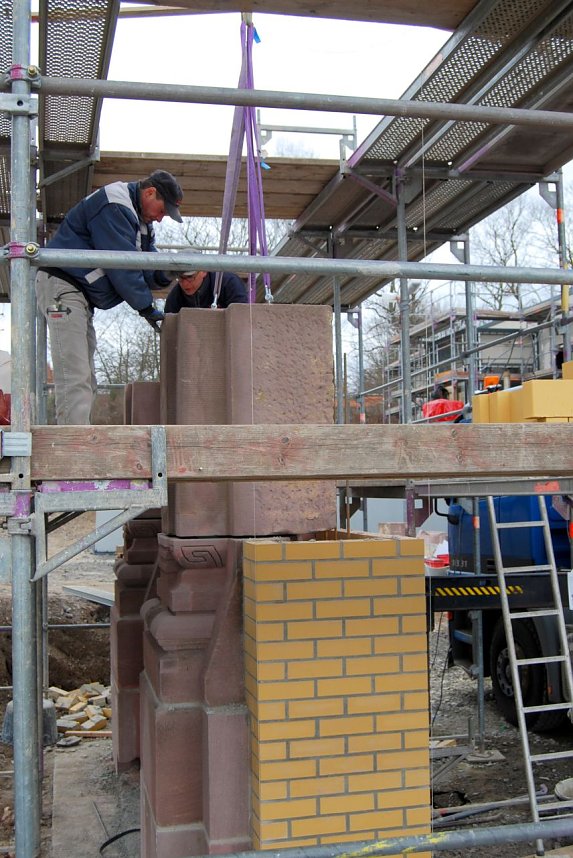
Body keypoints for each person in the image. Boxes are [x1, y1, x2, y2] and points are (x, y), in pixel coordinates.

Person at [35, 170, 183, 425]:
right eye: (162, 210)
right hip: (62, 286)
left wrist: (167, 271)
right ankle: (72, 454)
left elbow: (144, 264)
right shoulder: (115, 205)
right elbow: (123, 267)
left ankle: (79, 446)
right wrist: (147, 307)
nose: (161, 219)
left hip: (77, 295)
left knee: (86, 379)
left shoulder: (140, 221)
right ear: (149, 193)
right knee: (75, 377)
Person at [164, 269, 248, 312]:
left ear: (204, 271)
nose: (185, 284)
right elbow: (170, 334)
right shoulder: (174, 298)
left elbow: (242, 319)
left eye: (190, 277)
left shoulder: (229, 284)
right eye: (180, 278)